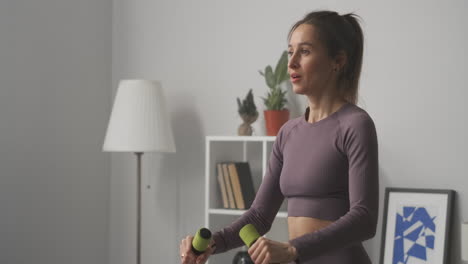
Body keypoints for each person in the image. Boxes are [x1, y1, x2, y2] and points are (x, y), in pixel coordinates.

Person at [180, 9, 379, 264]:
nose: (292, 62)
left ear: (337, 61)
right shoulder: (288, 133)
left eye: (305, 51)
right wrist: (213, 243)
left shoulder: (356, 125)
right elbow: (260, 216)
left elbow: (364, 219)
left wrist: (293, 249)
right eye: (290, 51)